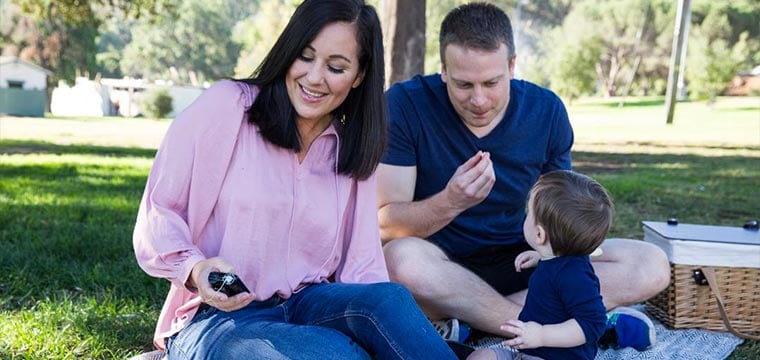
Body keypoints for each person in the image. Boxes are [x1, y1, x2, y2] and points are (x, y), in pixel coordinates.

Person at [133, 1, 457, 359]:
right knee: (337, 355)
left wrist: (382, 329)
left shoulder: (351, 151)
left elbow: (362, 267)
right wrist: (195, 267)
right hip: (219, 315)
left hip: (309, 305)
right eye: (305, 56)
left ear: (359, 76)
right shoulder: (228, 107)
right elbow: (159, 211)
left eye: (336, 67)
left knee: (388, 299)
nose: (315, 77)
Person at [377, 1, 670, 347]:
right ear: (443, 70)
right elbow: (385, 225)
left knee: (650, 263)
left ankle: (478, 321)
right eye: (464, 85)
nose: (480, 100)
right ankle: (563, 326)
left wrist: (553, 251)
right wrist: (450, 202)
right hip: (442, 264)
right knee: (399, 261)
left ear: (512, 66)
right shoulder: (405, 104)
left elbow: (561, 214)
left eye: (492, 82)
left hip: (528, 259)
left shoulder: (545, 111)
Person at [469, 170, 653, 360]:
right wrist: (541, 257)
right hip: (529, 351)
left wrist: (542, 335)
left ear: (540, 235)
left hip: (554, 355)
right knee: (481, 356)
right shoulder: (557, 258)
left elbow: (591, 323)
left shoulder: (574, 276)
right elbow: (558, 262)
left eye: (529, 212)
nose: (526, 215)